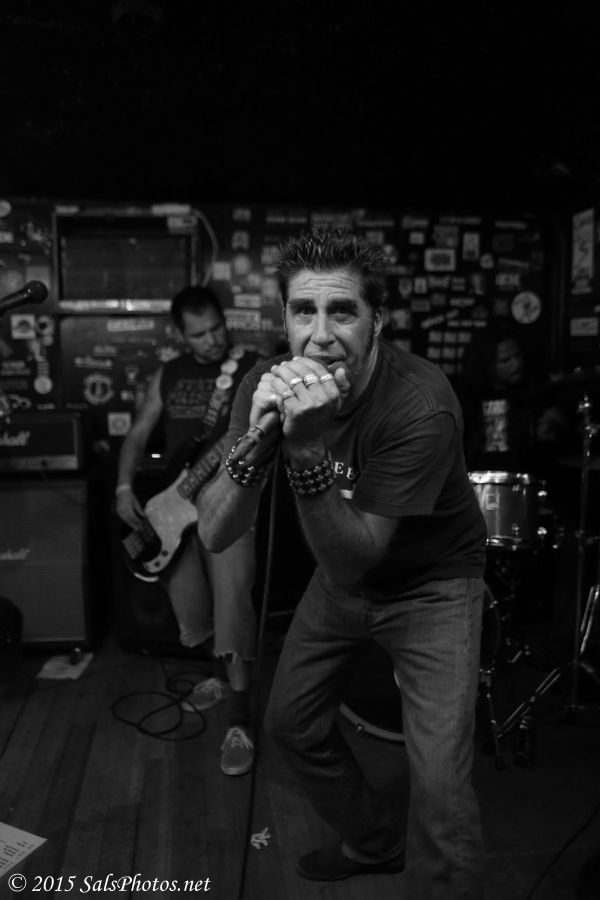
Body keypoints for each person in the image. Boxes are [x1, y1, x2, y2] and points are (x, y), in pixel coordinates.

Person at [195, 227, 488, 898]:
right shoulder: (264, 384)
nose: (321, 335)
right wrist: (259, 439)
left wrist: (303, 450)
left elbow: (358, 558)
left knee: (440, 788)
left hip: (433, 586)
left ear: (377, 321)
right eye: (304, 311)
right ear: (285, 318)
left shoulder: (420, 403)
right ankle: (376, 841)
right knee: (290, 725)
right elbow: (214, 532)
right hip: (341, 581)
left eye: (343, 312)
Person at [115, 285, 258, 776]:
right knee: (193, 608)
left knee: (233, 604)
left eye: (217, 328)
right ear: (180, 335)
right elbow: (139, 431)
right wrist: (122, 487)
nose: (212, 340)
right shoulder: (170, 373)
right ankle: (218, 678)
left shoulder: (253, 369)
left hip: (232, 505)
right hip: (176, 511)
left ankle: (240, 719)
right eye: (199, 334)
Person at [456, 321, 572, 478]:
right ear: (486, 363)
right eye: (506, 360)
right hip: (477, 482)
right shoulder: (467, 401)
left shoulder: (535, 394)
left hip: (526, 482)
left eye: (518, 356)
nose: (516, 364)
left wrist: (551, 430)